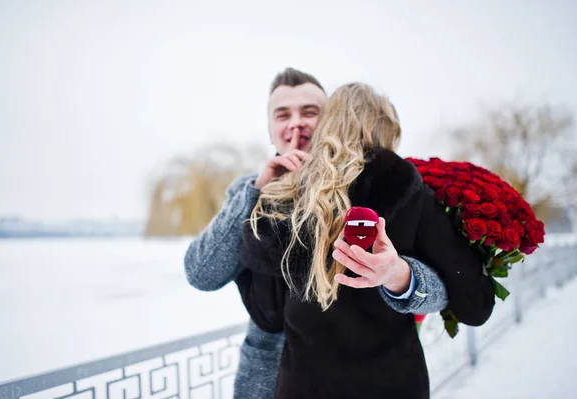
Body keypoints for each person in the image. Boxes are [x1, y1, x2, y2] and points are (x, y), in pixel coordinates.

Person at [184, 69, 449, 398]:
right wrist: (258, 190)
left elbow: (442, 291)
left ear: (334, 120)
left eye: (310, 112)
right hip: (264, 385)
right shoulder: (247, 192)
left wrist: (400, 274)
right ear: (270, 130)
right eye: (283, 115)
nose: (296, 123)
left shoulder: (385, 185)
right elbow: (201, 273)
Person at [236, 83, 496, 398]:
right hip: (392, 386)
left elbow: (269, 315)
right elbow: (475, 305)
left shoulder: (285, 195)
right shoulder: (410, 190)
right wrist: (405, 276)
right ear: (387, 129)